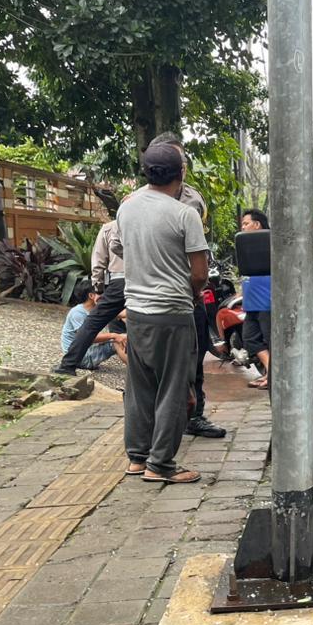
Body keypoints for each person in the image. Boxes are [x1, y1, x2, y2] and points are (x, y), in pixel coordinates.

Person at [118, 142, 209, 483]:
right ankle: (161, 465)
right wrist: (193, 294)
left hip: (137, 311)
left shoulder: (126, 209)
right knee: (173, 387)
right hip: (172, 312)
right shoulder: (184, 214)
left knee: (140, 387)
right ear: (181, 173)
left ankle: (137, 459)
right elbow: (199, 274)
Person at [146, 132, 225, 439]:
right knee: (150, 364)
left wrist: (194, 290)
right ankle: (153, 427)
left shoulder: (192, 201)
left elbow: (198, 258)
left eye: (180, 160)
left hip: (188, 296)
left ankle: (195, 414)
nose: (179, 167)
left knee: (194, 356)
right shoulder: (134, 203)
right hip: (149, 297)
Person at [53, 218, 125, 375]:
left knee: (92, 324)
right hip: (151, 281)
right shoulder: (153, 222)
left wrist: (99, 289)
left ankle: (68, 366)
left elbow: (98, 261)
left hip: (120, 280)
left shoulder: (110, 227)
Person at [239, 208, 272, 389]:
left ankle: (271, 375)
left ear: (257, 224)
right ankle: (270, 372)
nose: (243, 227)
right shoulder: (246, 244)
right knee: (250, 338)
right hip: (251, 303)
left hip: (267, 302)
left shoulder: (269, 241)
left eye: (246, 223)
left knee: (269, 340)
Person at [61, 280, 127, 370]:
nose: (106, 297)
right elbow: (86, 337)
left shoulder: (96, 310)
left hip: (87, 351)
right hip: (80, 358)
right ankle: (136, 371)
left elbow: (122, 313)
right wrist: (114, 336)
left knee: (125, 337)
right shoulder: (77, 312)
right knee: (117, 341)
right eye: (102, 293)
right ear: (91, 296)